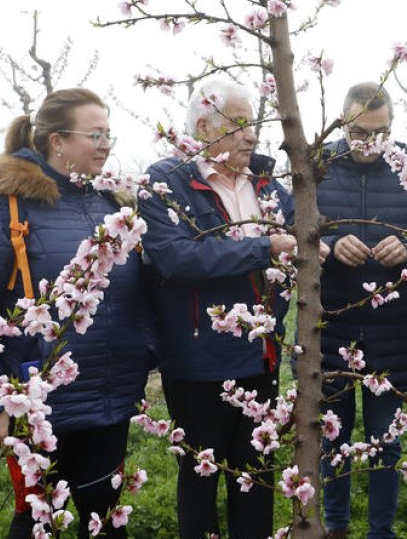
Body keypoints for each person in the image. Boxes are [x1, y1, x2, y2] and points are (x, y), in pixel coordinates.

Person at [0, 88, 155, 538]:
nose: (105, 145)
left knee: (104, 520)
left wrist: (146, 349)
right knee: (37, 521)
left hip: (110, 396)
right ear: (57, 140)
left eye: (109, 135)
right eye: (94, 135)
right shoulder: (6, 203)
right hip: (38, 403)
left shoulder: (112, 203)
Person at [139, 81, 296, 539]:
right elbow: (177, 258)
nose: (252, 136)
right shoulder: (165, 182)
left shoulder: (266, 184)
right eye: (240, 125)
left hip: (261, 353)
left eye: (255, 126)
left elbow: (298, 238)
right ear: (204, 126)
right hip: (199, 361)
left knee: (257, 475)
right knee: (201, 478)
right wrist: (262, 249)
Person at [316, 83, 407, 539]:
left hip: (391, 333)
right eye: (359, 132)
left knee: (384, 442)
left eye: (381, 133)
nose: (369, 143)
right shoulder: (314, 171)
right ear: (342, 122)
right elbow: (292, 240)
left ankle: (380, 531)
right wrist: (328, 246)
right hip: (328, 327)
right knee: (331, 436)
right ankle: (335, 527)